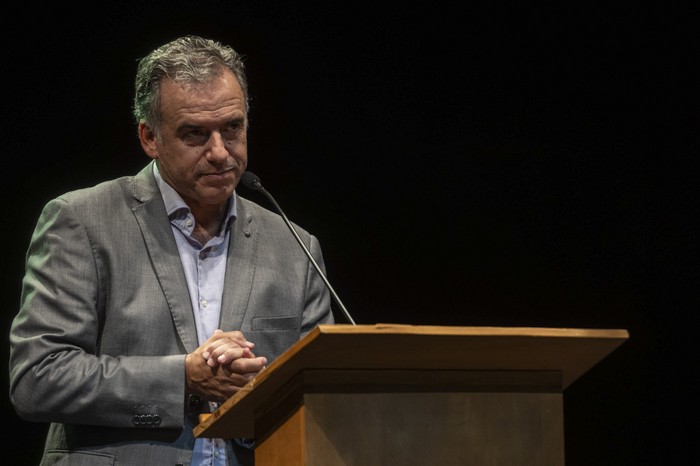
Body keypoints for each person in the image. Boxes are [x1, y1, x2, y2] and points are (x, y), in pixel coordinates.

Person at [8, 35, 335, 466]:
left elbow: (322, 392)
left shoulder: (295, 247)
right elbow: (38, 377)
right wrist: (183, 378)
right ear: (150, 137)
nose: (220, 152)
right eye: (195, 134)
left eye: (232, 128)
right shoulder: (82, 222)